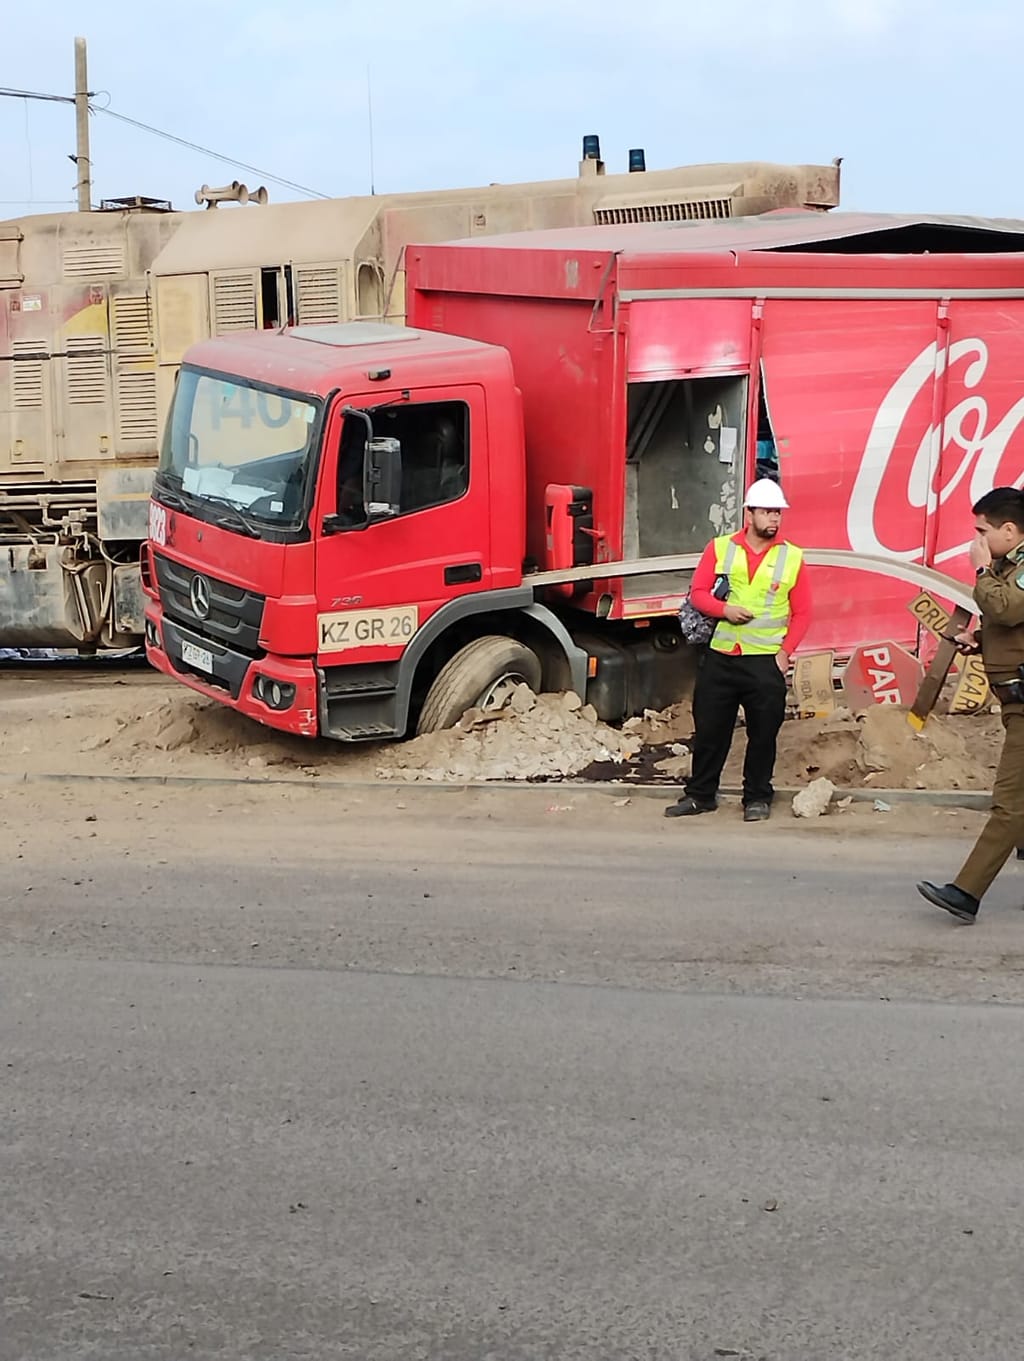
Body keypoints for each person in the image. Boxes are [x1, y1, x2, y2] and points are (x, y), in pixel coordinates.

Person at [665, 478, 812, 823]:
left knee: (763, 735)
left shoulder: (792, 557)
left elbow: (803, 612)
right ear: (749, 514)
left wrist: (785, 653)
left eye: (778, 512)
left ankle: (757, 798)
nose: (774, 518)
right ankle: (701, 795)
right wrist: (725, 610)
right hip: (721, 657)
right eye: (767, 511)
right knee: (710, 731)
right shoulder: (720, 548)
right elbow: (698, 593)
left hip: (765, 661)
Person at [917, 487, 1024, 923]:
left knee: (1010, 804)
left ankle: (966, 893)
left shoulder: (1013, 570)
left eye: (983, 531)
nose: (977, 540)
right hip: (1014, 698)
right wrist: (978, 641)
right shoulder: (1009, 567)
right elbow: (1009, 626)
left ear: (1009, 530)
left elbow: (1008, 609)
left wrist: (981, 570)